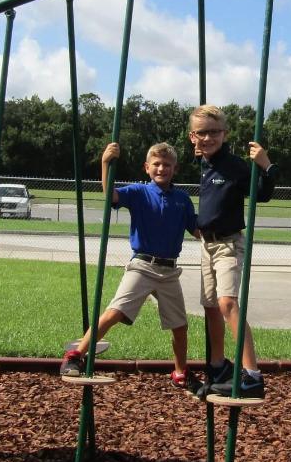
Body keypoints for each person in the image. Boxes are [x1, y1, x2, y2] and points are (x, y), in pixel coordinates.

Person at [60, 141, 202, 392]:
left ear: (175, 169)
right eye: (156, 164)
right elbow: (111, 195)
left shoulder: (182, 199)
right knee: (115, 311)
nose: (161, 169)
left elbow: (197, 229)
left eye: (167, 165)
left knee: (180, 326)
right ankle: (75, 355)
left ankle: (181, 372)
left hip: (169, 270)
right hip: (142, 265)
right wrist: (105, 163)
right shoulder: (138, 192)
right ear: (147, 167)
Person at [189, 104, 279, 399]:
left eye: (214, 132)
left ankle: (252, 374)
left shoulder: (236, 165)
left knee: (227, 303)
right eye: (202, 133)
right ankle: (218, 365)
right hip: (207, 245)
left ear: (224, 134)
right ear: (193, 137)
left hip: (229, 244)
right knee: (210, 306)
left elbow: (263, 194)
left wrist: (266, 166)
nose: (208, 138)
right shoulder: (205, 163)